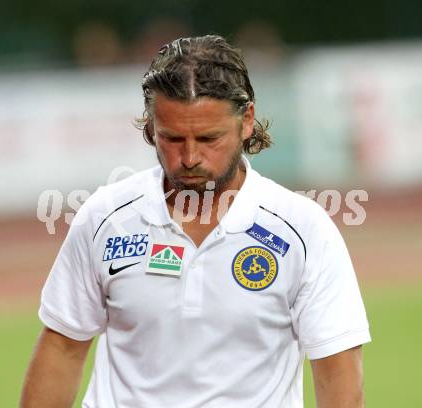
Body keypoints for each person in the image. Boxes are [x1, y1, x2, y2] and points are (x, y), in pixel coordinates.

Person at [21, 35, 371, 408]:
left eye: (208, 138)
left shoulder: (304, 231)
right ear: (152, 126)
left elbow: (337, 366)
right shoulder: (105, 217)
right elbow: (63, 346)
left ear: (247, 121)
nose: (189, 157)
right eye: (172, 138)